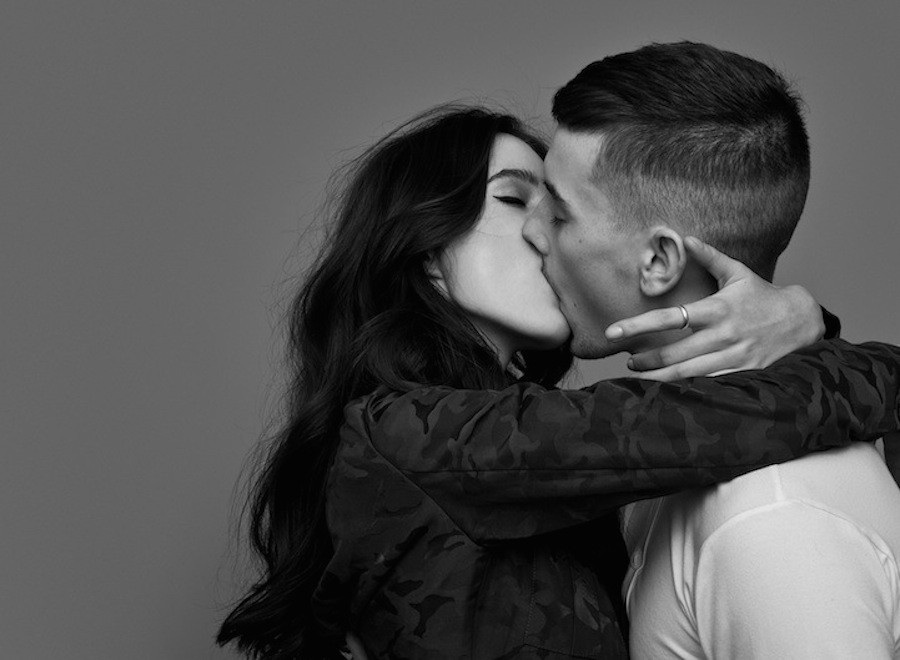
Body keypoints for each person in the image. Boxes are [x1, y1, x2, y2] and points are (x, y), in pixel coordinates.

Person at [216, 106, 900, 659]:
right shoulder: (409, 435)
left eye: (561, 212)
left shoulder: (527, 451)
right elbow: (734, 423)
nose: (548, 235)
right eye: (516, 200)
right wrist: (806, 323)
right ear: (428, 252)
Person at [525, 41, 900, 658]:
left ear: (659, 261)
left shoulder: (773, 522)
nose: (530, 229)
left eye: (559, 214)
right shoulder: (675, 443)